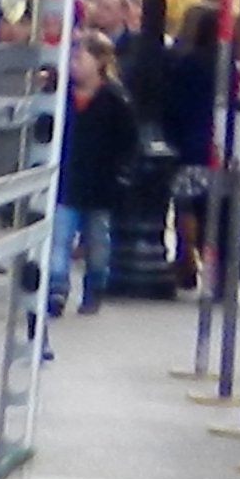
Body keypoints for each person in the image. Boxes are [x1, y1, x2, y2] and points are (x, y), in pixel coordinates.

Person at [63, 34, 144, 314]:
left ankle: (95, 286)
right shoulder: (62, 95)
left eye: (80, 58)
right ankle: (57, 287)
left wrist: (122, 173)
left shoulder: (115, 97)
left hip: (101, 184)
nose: (73, 64)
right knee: (60, 238)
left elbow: (128, 140)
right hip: (68, 182)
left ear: (99, 62)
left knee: (98, 241)